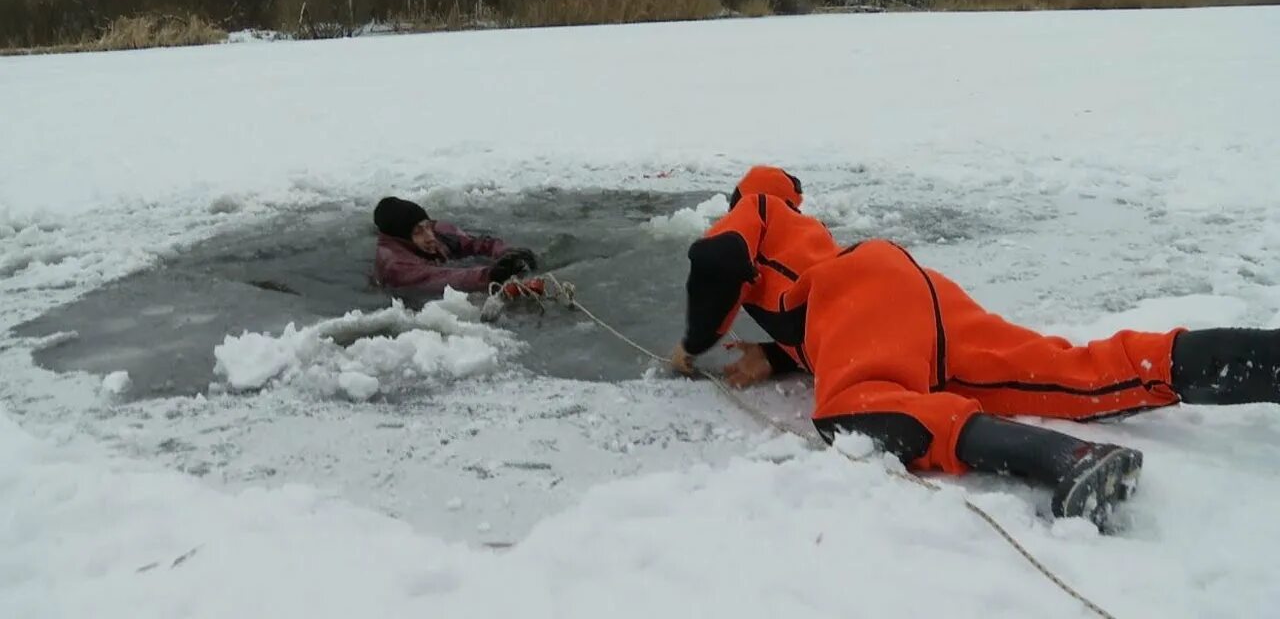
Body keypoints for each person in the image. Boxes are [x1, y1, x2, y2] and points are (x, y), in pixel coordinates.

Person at [671, 166, 1280, 527]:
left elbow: (714, 260)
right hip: (917, 294)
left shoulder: (752, 208)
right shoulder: (803, 234)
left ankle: (1063, 459)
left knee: (856, 410)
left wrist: (692, 346)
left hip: (860, 294)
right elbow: (817, 325)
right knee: (1068, 369)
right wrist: (773, 355)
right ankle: (1260, 362)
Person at [372, 196, 538, 295]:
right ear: (402, 237)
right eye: (418, 232)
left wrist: (508, 253)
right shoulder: (396, 265)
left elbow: (477, 244)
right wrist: (489, 275)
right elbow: (438, 278)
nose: (430, 236)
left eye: (427, 226)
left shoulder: (439, 233)